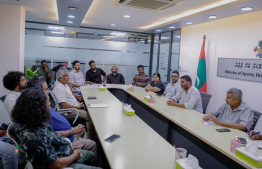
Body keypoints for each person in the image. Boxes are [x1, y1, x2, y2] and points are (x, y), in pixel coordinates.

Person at [11, 87, 100, 169]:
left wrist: (68, 148)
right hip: (62, 163)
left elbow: (52, 140)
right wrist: (75, 156)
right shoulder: (35, 135)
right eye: (49, 102)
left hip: (63, 152)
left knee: (91, 154)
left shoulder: (34, 121)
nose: (50, 104)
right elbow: (56, 165)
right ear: (40, 107)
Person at [26, 77, 97, 154]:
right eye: (46, 89)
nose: (49, 92)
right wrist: (72, 131)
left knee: (83, 132)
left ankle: (85, 152)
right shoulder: (38, 112)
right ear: (37, 91)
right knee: (93, 144)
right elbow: (49, 134)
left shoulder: (42, 103)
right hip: (65, 139)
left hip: (69, 134)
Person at [52, 69, 94, 138]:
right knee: (90, 117)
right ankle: (91, 137)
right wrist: (79, 107)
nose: (68, 78)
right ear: (60, 78)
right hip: (71, 111)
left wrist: (78, 102)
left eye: (68, 76)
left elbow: (70, 97)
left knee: (90, 110)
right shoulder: (59, 88)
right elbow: (64, 105)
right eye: (66, 76)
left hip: (76, 107)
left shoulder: (65, 85)